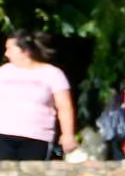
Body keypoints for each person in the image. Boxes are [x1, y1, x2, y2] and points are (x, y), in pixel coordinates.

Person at [0, 32, 76, 161]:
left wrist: (68, 134)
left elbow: (64, 106)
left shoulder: (52, 74)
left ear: (25, 51)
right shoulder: (4, 72)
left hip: (37, 137)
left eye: (10, 49)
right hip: (3, 134)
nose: (6, 54)